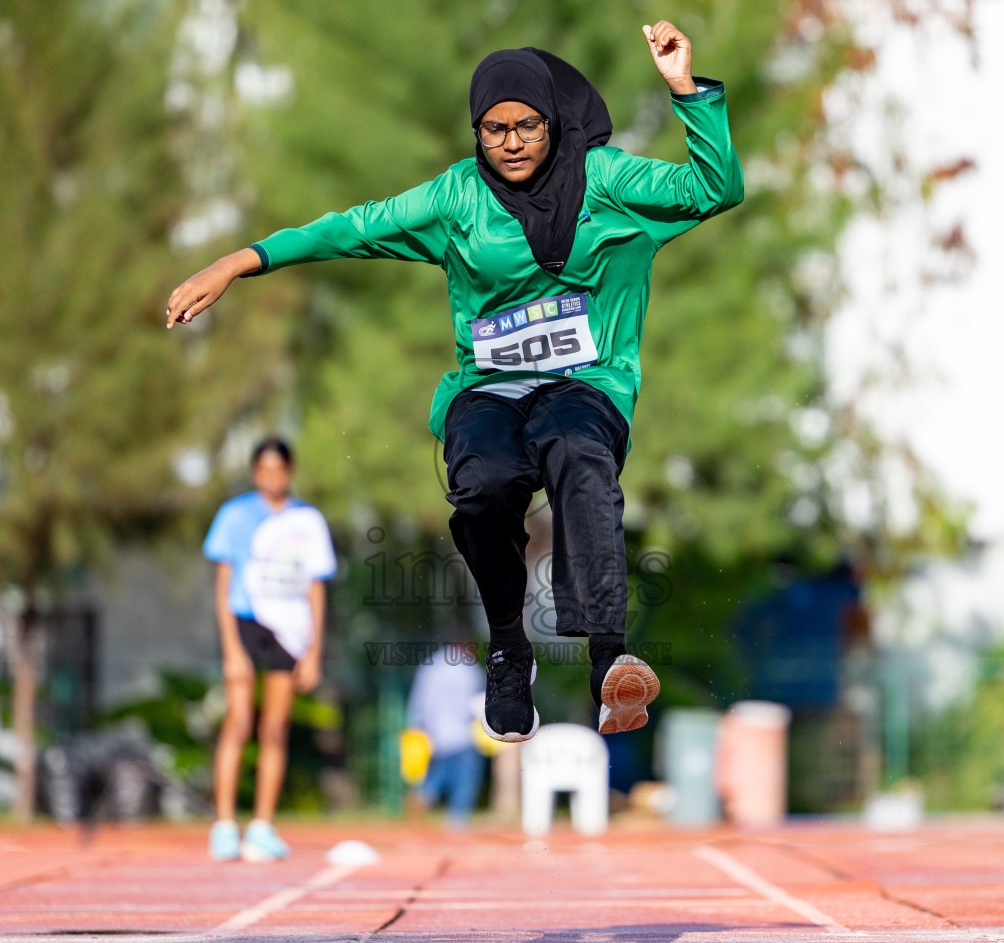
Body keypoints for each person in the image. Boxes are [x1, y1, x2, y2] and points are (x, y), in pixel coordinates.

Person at [167, 22, 742, 742]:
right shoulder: (457, 198)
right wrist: (236, 263)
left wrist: (684, 88)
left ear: (554, 122)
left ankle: (608, 663)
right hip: (490, 391)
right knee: (483, 490)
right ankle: (508, 649)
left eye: (526, 125)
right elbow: (349, 228)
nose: (509, 142)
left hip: (586, 384)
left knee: (579, 459)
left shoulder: (610, 180)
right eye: (492, 128)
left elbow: (716, 186)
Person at [203, 439, 336, 861]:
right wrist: (231, 650)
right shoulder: (235, 515)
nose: (271, 477)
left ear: (290, 472)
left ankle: (262, 826)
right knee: (239, 719)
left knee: (274, 728)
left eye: (279, 469)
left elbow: (317, 587)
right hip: (246, 622)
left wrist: (314, 650)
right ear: (254, 471)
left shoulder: (308, 520)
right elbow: (223, 585)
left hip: (290, 629)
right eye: (263, 469)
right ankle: (224, 824)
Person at [406, 642, 487, 828]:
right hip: (463, 733)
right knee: (465, 778)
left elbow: (420, 700)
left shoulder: (430, 665)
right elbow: (476, 700)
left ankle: (423, 794)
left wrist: (419, 726)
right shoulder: (469, 668)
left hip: (437, 733)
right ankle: (457, 819)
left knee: (441, 771)